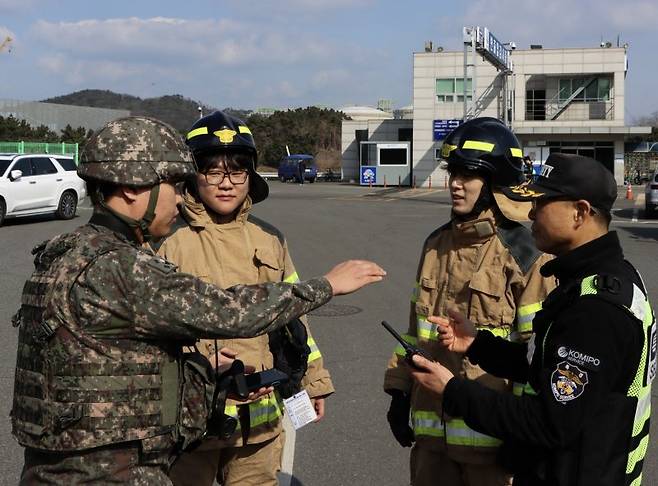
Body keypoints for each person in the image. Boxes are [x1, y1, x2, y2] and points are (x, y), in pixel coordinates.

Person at [10, 116, 386, 485]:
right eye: (174, 183)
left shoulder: (67, 252)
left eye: (237, 172)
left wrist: (201, 368)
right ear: (130, 187)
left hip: (83, 461)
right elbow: (232, 313)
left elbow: (125, 354)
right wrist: (328, 285)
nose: (180, 194)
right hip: (120, 465)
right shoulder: (125, 264)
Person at [410, 153, 655, 486]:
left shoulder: (596, 309)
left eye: (542, 203)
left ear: (580, 212)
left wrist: (452, 390)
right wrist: (478, 344)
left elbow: (547, 423)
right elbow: (542, 364)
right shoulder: (598, 280)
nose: (531, 213)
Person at [158, 111, 334, 485]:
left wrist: (313, 382)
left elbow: (296, 317)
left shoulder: (270, 239)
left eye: (237, 171)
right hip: (192, 425)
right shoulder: (167, 242)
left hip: (259, 424)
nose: (226, 183)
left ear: (250, 175)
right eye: (213, 171)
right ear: (193, 174)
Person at [383, 117, 554, 486]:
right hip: (432, 442)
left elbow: (534, 355)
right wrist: (398, 391)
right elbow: (415, 331)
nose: (455, 184)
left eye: (468, 175)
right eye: (453, 173)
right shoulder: (435, 245)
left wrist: (524, 433)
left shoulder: (526, 255)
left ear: (495, 183)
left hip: (491, 442)